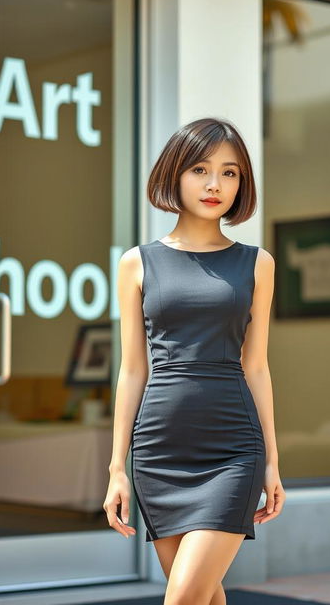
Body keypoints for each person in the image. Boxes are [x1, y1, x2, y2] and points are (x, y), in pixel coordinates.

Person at [103, 117, 284, 605]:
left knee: (182, 597)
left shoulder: (257, 263)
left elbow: (258, 366)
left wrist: (271, 460)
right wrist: (118, 466)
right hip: (160, 451)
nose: (214, 185)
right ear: (174, 174)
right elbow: (133, 369)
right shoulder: (137, 263)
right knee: (204, 596)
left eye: (230, 173)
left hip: (233, 450)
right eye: (201, 169)